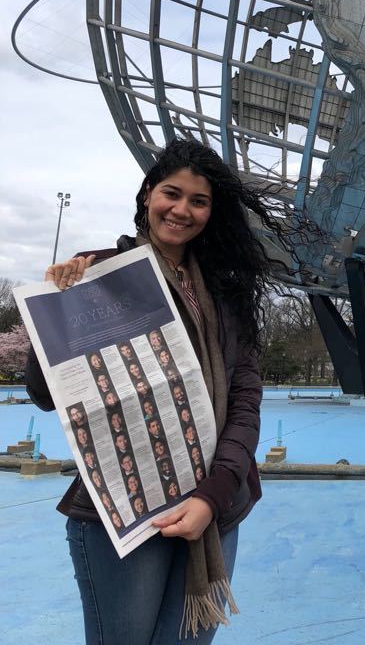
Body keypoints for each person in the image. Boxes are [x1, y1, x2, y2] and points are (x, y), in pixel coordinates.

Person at [26, 138, 278, 644]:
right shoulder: (97, 274)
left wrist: (212, 496)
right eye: (171, 193)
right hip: (124, 509)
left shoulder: (228, 293)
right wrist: (57, 307)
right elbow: (45, 393)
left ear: (212, 212)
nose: (181, 209)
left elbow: (245, 403)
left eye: (199, 201)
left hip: (214, 506)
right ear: (147, 195)